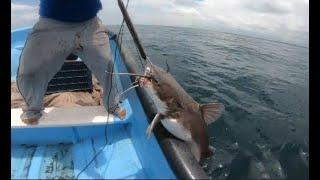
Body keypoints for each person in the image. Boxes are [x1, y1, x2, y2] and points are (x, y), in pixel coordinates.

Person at [17, 0, 125, 125]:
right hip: (50, 23)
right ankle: (33, 109)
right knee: (29, 71)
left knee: (107, 65)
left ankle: (112, 106)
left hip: (90, 24)